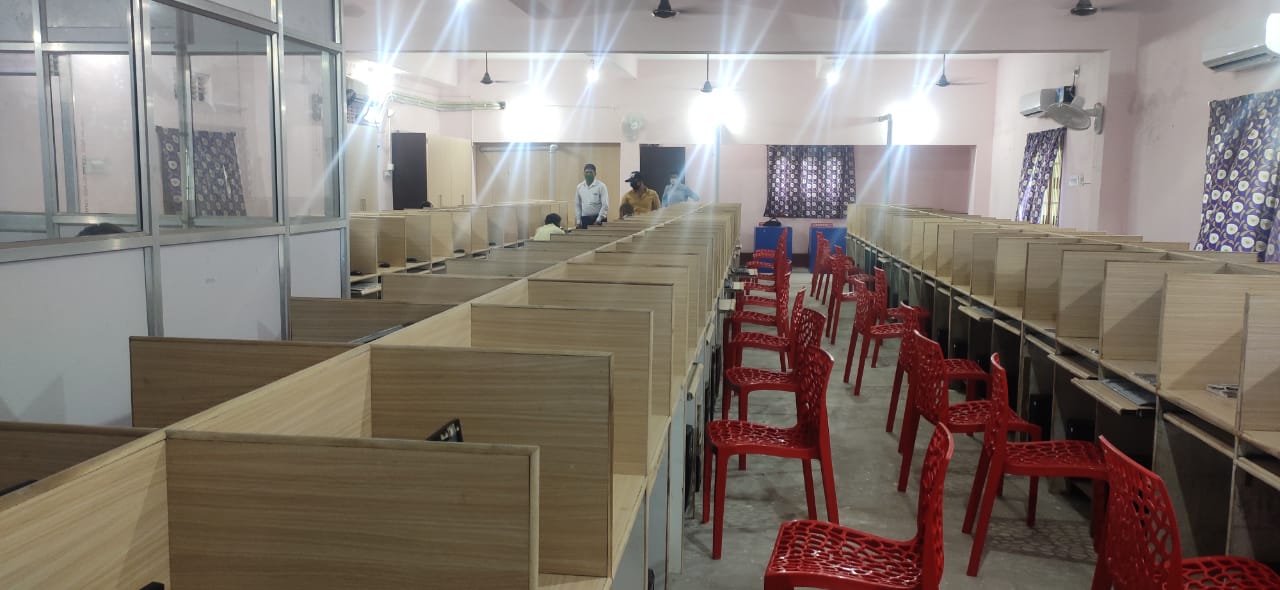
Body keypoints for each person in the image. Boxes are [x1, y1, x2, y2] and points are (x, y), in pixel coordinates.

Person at [575, 163, 609, 228]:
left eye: (591, 172)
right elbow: (578, 205)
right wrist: (578, 221)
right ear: (583, 173)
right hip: (585, 219)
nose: (588, 174)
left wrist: (598, 219)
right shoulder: (579, 187)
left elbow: (605, 205)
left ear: (595, 173)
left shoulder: (601, 186)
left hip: (599, 219)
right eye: (586, 172)